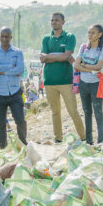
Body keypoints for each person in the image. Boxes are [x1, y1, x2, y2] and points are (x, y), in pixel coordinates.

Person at [41, 12, 85, 143]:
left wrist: (50, 56)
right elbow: (43, 59)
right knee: (55, 112)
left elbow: (67, 56)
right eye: (52, 20)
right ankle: (58, 138)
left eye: (57, 20)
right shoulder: (46, 39)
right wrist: (59, 56)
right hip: (49, 81)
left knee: (72, 110)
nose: (54, 22)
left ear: (63, 22)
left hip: (66, 81)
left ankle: (84, 137)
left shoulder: (69, 37)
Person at [0, 26, 27, 147]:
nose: (5, 39)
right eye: (2, 36)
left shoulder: (18, 52)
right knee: (1, 124)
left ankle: (22, 144)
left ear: (11, 37)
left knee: (20, 121)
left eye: (7, 36)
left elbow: (20, 69)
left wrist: (2, 71)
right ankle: (3, 147)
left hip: (15, 92)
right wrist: (12, 67)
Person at [75, 24, 103, 145]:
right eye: (89, 32)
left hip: (96, 84)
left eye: (93, 33)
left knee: (98, 113)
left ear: (99, 35)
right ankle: (89, 141)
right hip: (83, 85)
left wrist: (84, 66)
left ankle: (100, 141)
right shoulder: (83, 47)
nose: (90, 35)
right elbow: (76, 65)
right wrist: (91, 68)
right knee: (87, 112)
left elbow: (99, 67)